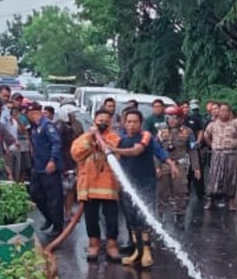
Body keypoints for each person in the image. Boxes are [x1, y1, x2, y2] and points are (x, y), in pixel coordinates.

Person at [112, 108, 178, 268]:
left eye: (135, 122)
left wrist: (171, 165)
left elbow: (156, 152)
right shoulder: (120, 140)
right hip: (127, 185)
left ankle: (147, 251)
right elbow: (116, 160)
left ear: (140, 123)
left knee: (144, 217)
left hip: (145, 184)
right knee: (132, 219)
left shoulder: (146, 137)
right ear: (124, 123)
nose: (131, 125)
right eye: (129, 121)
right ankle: (137, 251)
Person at [71, 108, 124, 261]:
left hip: (109, 186)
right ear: (94, 121)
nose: (103, 123)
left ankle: (112, 246)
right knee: (91, 218)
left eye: (106, 121)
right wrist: (91, 139)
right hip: (89, 185)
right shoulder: (84, 137)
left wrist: (100, 140)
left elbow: (115, 153)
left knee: (111, 218)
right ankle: (93, 245)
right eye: (100, 121)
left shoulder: (115, 138)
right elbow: (76, 153)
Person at [26, 102, 65, 238]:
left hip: (49, 167)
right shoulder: (35, 127)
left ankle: (57, 226)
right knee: (35, 193)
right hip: (38, 166)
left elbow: (56, 143)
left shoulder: (47, 125)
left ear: (33, 113)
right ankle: (49, 217)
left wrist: (53, 160)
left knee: (54, 198)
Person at [156, 105, 199, 220]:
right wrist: (157, 167)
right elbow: (156, 150)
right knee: (162, 191)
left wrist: (196, 167)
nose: (172, 120)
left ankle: (180, 215)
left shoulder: (187, 132)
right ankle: (161, 214)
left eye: (175, 117)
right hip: (164, 164)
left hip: (180, 164)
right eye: (169, 117)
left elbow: (193, 150)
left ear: (181, 119)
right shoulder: (161, 131)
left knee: (180, 191)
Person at [202, 102, 237, 211]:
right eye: (222, 110)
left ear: (229, 112)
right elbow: (206, 136)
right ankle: (210, 199)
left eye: (226, 110)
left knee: (230, 177)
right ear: (218, 111)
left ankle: (231, 200)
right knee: (214, 177)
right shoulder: (213, 124)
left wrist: (236, 144)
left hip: (230, 153)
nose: (224, 113)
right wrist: (212, 145)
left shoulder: (235, 123)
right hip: (217, 153)